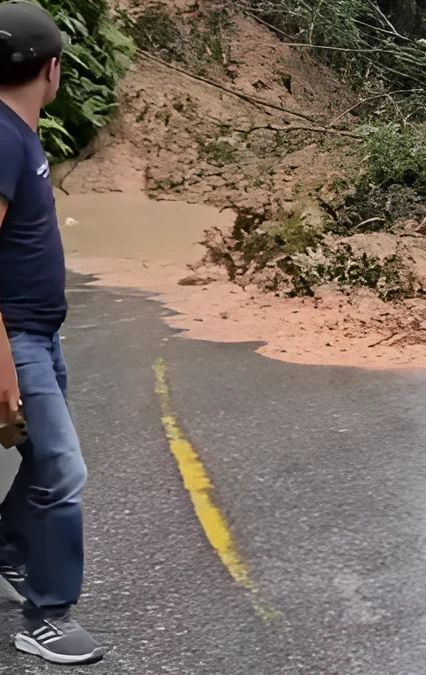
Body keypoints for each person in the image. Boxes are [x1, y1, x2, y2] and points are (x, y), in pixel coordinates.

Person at [0, 1, 102, 664]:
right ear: (54, 69)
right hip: (18, 340)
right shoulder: (3, 138)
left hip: (39, 333)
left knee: (42, 457)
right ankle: (47, 614)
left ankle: (7, 547)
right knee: (63, 468)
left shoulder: (16, 131)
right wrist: (4, 363)